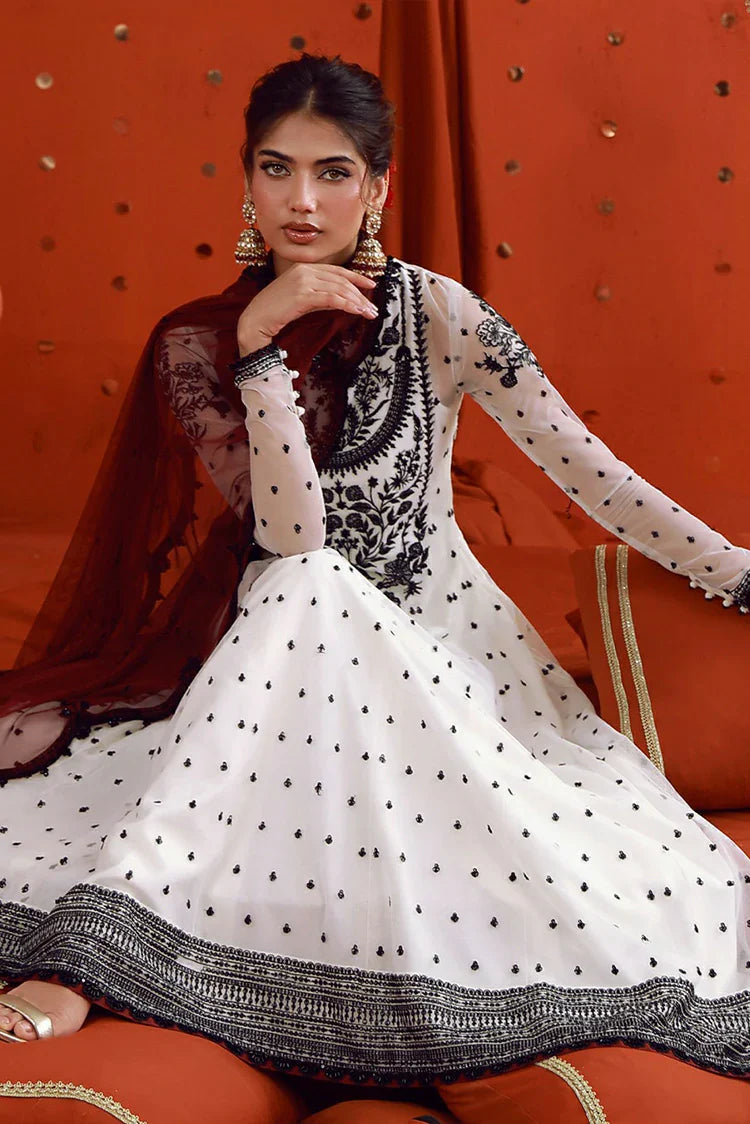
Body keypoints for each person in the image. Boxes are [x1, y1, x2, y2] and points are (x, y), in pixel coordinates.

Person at [0, 51, 749, 1090]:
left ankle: (91, 958)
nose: (303, 201)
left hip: (445, 657)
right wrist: (259, 348)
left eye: (334, 172)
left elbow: (593, 476)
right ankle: (93, 946)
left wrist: (738, 573)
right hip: (284, 658)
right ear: (247, 182)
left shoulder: (440, 314)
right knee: (303, 586)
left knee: (310, 595)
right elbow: (295, 536)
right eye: (277, 169)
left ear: (380, 186)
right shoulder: (198, 344)